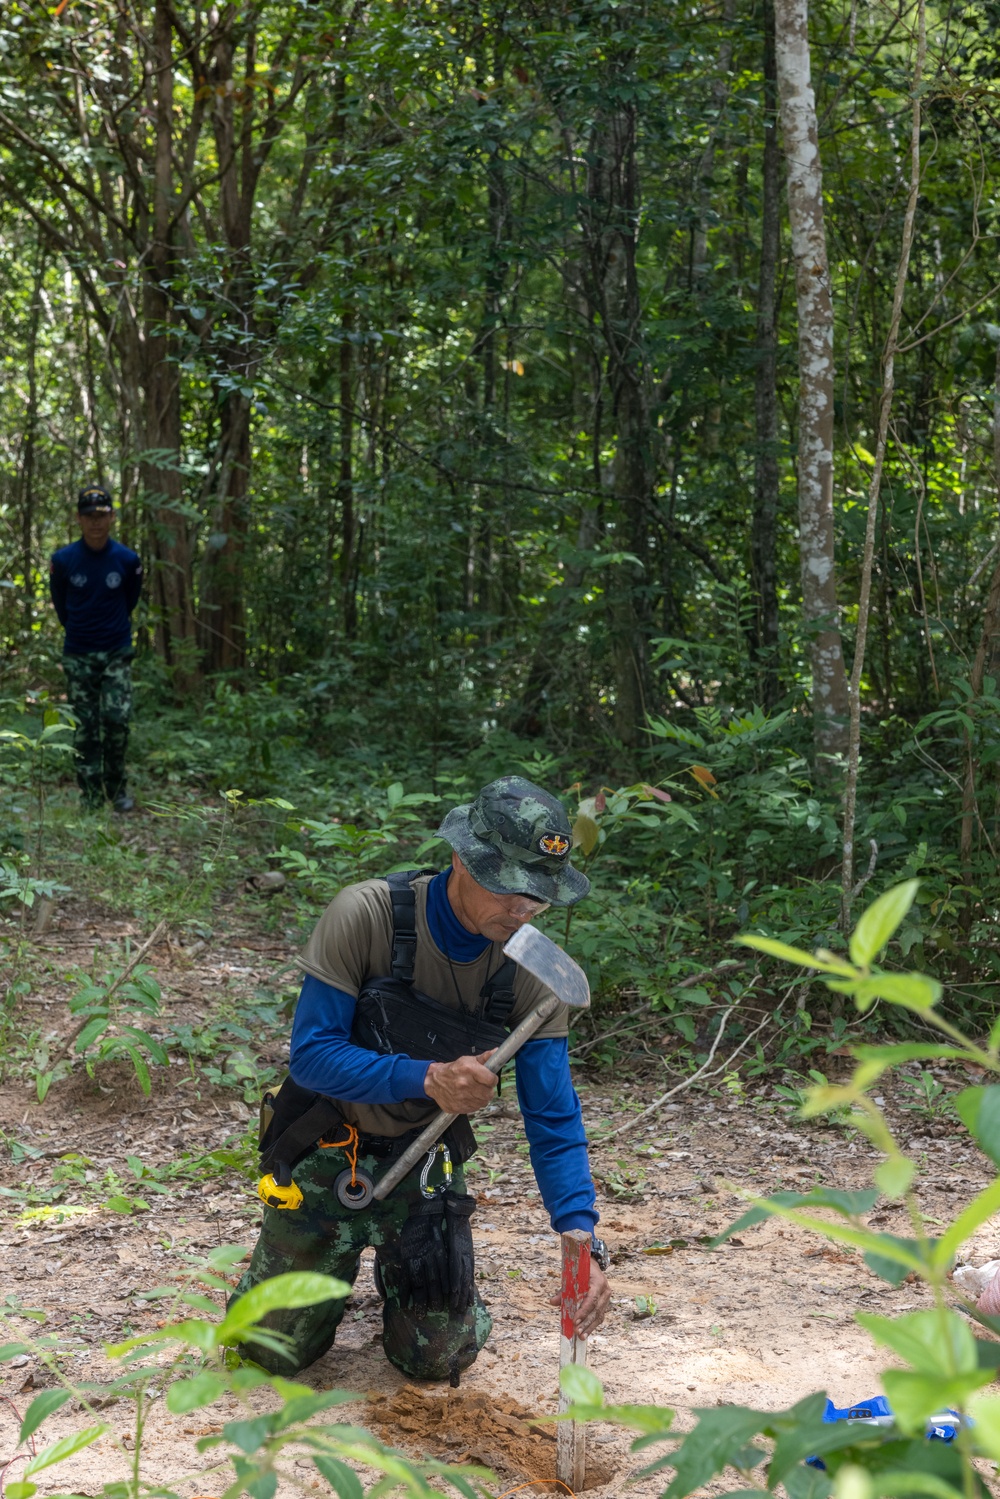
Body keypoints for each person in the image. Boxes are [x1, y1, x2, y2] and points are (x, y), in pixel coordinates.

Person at [231, 776, 612, 1382]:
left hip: (427, 1165)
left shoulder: (538, 971)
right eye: (510, 889)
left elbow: (553, 1115)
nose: (524, 910)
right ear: (462, 858)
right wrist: (428, 1077)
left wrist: (580, 1236)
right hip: (330, 1147)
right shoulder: (367, 916)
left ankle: (412, 1287)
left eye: (539, 896)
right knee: (266, 1352)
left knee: (436, 1358)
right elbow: (312, 1056)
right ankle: (311, 1281)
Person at [49, 485, 142, 812]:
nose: (96, 522)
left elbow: (130, 599)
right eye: (89, 516)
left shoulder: (127, 560)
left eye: (101, 515)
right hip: (78, 653)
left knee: (117, 719)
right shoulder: (63, 560)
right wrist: (79, 631)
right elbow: (61, 605)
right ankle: (89, 796)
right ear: (79, 519)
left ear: (112, 517)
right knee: (85, 727)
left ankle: (117, 790)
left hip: (116, 650)